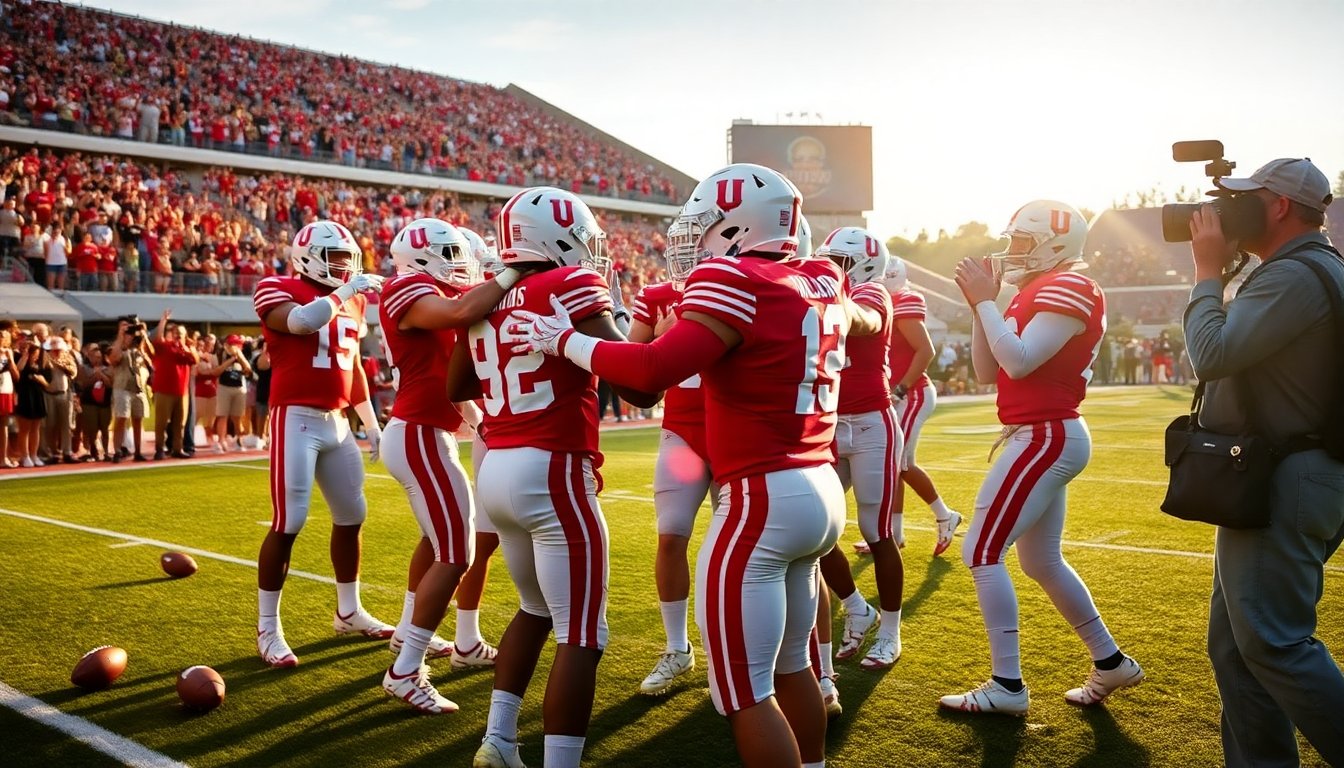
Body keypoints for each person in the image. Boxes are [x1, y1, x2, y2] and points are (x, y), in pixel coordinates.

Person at [510, 165, 881, 768]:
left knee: (742, 692)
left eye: (705, 225)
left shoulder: (732, 277)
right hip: (818, 485)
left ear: (737, 226)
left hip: (762, 499)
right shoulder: (818, 277)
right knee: (794, 667)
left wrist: (564, 340)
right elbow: (867, 317)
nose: (694, 238)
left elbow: (652, 370)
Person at [458, 187, 654, 768]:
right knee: (583, 634)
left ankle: (498, 738)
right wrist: (606, 329)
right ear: (557, 237)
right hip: (554, 467)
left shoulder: (487, 296)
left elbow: (455, 390)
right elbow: (642, 387)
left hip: (497, 466)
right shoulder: (571, 285)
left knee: (536, 610)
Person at [943, 200, 1143, 715]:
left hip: (1045, 435)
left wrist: (989, 303)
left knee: (981, 552)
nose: (1011, 251)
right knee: (1039, 559)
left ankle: (1007, 686)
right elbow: (990, 370)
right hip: (1037, 433)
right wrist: (978, 307)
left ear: (1055, 244)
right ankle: (1110, 661)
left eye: (1022, 242)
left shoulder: (1070, 284)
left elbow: (1021, 358)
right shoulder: (1030, 290)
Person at [1183, 157, 1344, 766]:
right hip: (1301, 474)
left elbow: (1213, 352)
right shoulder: (1313, 267)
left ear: (1278, 206)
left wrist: (1204, 273)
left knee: (1275, 644)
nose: (1229, 210)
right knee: (1234, 648)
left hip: (1287, 480)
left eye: (1244, 198)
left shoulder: (1295, 276)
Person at [376, 218, 522, 713]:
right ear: (421, 256)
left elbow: (449, 379)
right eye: (449, 253)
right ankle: (406, 670)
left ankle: (407, 636)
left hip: (428, 431)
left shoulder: (430, 290)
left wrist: (480, 421)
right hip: (417, 434)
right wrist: (510, 275)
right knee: (456, 553)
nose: (460, 264)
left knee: (438, 541)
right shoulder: (405, 287)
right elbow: (463, 307)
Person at [251, 220, 391, 668]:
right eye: (335, 258)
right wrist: (342, 292)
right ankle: (267, 628)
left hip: (336, 422)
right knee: (289, 520)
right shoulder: (277, 286)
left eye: (348, 260)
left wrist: (370, 422)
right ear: (308, 255)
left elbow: (350, 367)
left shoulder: (354, 300)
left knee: (353, 515)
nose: (343, 267)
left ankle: (348, 611)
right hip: (295, 417)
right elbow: (299, 321)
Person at [811, 227, 904, 671]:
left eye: (838, 261)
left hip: (871, 425)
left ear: (863, 264)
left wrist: (824, 300)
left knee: (877, 531)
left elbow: (864, 318)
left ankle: (890, 631)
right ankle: (856, 607)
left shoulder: (872, 293)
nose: (830, 267)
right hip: (828, 425)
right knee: (815, 528)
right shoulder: (829, 294)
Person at [628, 223, 713, 697]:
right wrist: (662, 344)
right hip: (682, 432)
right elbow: (637, 381)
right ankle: (678, 648)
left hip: (735, 434)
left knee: (743, 549)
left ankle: (739, 649)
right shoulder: (658, 294)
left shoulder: (745, 284)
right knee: (670, 538)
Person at [882, 257, 961, 555]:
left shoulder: (904, 299)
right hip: (900, 392)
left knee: (899, 463)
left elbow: (926, 350)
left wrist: (901, 388)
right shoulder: (881, 298)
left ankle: (944, 515)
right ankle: (896, 534)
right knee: (894, 464)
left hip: (912, 392)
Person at [150, 312, 199, 460]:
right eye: (176, 333)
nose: (179, 335)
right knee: (161, 422)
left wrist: (189, 346)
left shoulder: (186, 350)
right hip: (164, 390)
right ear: (171, 334)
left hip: (182, 392)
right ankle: (159, 448)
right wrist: (163, 321)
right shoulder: (166, 346)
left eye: (182, 333)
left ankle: (178, 448)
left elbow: (195, 359)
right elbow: (158, 339)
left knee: (180, 423)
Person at [14, 333, 51, 467]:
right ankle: (25, 456)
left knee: (36, 428)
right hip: (24, 395)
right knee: (24, 428)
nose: (33, 353)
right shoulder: (18, 356)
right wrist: (25, 354)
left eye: (35, 350)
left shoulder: (43, 361)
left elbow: (48, 381)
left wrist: (41, 380)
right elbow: (18, 370)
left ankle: (34, 455)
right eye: (32, 350)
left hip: (37, 395)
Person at [213, 334, 252, 452]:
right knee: (222, 415)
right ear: (227, 345)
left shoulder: (241, 355)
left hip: (238, 388)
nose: (236, 347)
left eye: (238, 344)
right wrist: (231, 360)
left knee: (237, 416)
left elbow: (248, 370)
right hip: (224, 387)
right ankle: (221, 441)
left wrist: (240, 358)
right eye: (234, 344)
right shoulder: (220, 355)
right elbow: (216, 372)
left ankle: (239, 440)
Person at [0, 327, 17, 468]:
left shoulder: (8, 353)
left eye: (4, 336)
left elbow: (16, 375)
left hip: (6, 390)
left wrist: (10, 360)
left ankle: (3, 458)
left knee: (4, 425)